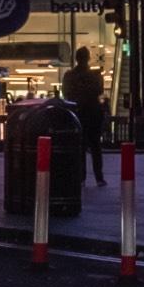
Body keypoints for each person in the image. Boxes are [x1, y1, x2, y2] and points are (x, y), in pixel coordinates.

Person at [62, 47, 107, 187]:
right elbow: (99, 91)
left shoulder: (69, 76)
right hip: (93, 114)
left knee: (79, 148)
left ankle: (80, 177)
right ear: (88, 58)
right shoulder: (95, 76)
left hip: (77, 114)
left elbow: (66, 94)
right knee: (95, 147)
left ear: (76, 58)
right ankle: (99, 177)